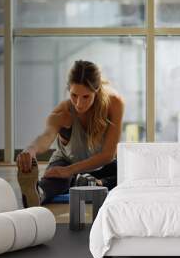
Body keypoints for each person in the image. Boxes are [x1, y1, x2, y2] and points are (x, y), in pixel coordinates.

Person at [17, 60, 125, 206]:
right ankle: (39, 193)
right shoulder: (64, 112)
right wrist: (31, 149)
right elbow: (46, 136)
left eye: (86, 97)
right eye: (74, 95)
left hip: (101, 166)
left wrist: (70, 171)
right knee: (58, 178)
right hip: (67, 161)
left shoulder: (114, 103)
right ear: (68, 90)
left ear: (97, 90)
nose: (79, 103)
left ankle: (89, 182)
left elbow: (108, 155)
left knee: (128, 173)